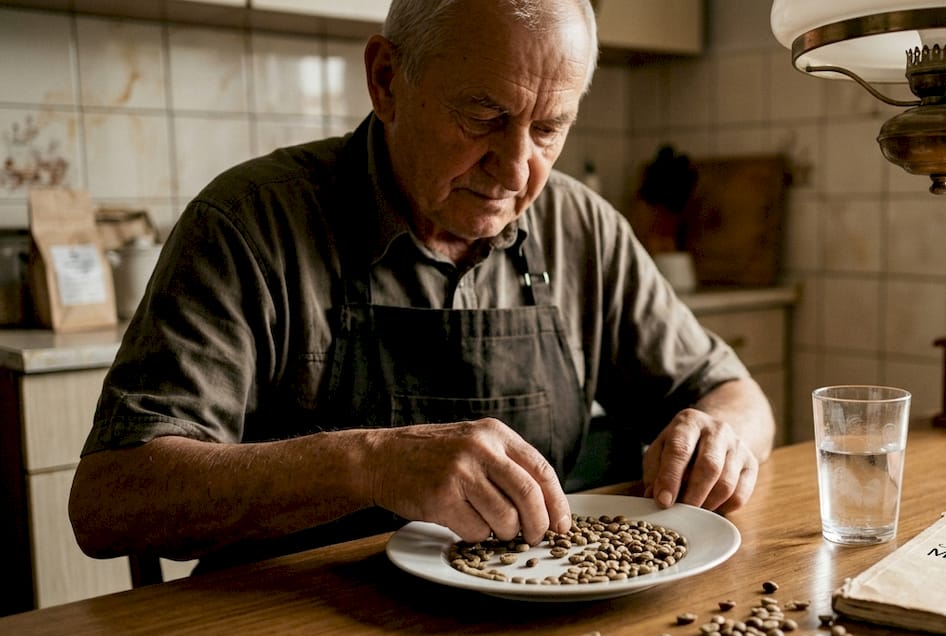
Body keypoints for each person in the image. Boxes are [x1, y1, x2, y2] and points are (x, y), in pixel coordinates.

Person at [68, 0, 774, 570]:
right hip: (280, 634)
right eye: (484, 117)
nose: (516, 169)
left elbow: (735, 394)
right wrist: (367, 463)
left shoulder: (580, 227)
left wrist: (721, 435)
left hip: (517, 619)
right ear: (386, 80)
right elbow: (108, 502)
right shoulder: (249, 223)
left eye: (549, 129)